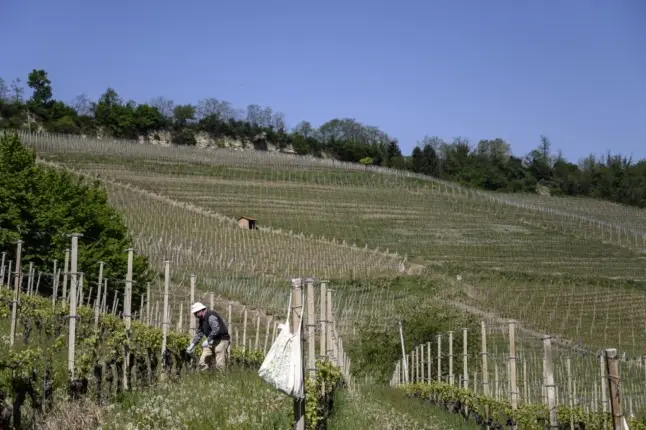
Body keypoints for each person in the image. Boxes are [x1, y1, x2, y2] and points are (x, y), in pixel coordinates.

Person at [186, 301, 231, 372]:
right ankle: (205, 377)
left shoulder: (211, 315)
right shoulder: (202, 319)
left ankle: (221, 377)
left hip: (221, 340)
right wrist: (193, 345)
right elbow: (200, 333)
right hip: (211, 341)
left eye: (196, 313)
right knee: (202, 362)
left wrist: (208, 340)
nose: (195, 315)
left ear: (201, 310)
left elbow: (216, 329)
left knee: (219, 364)